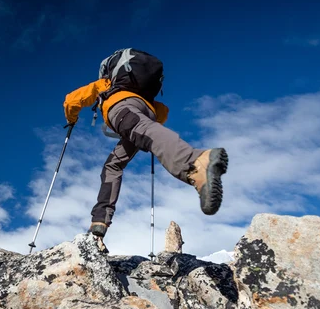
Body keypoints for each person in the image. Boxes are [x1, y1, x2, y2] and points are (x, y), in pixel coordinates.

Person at [63, 48, 228, 253]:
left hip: (121, 109)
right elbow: (162, 113)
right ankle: (99, 223)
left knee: (144, 131)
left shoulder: (106, 84)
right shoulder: (147, 97)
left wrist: (71, 120)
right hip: (145, 113)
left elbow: (72, 100)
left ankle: (195, 162)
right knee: (113, 164)